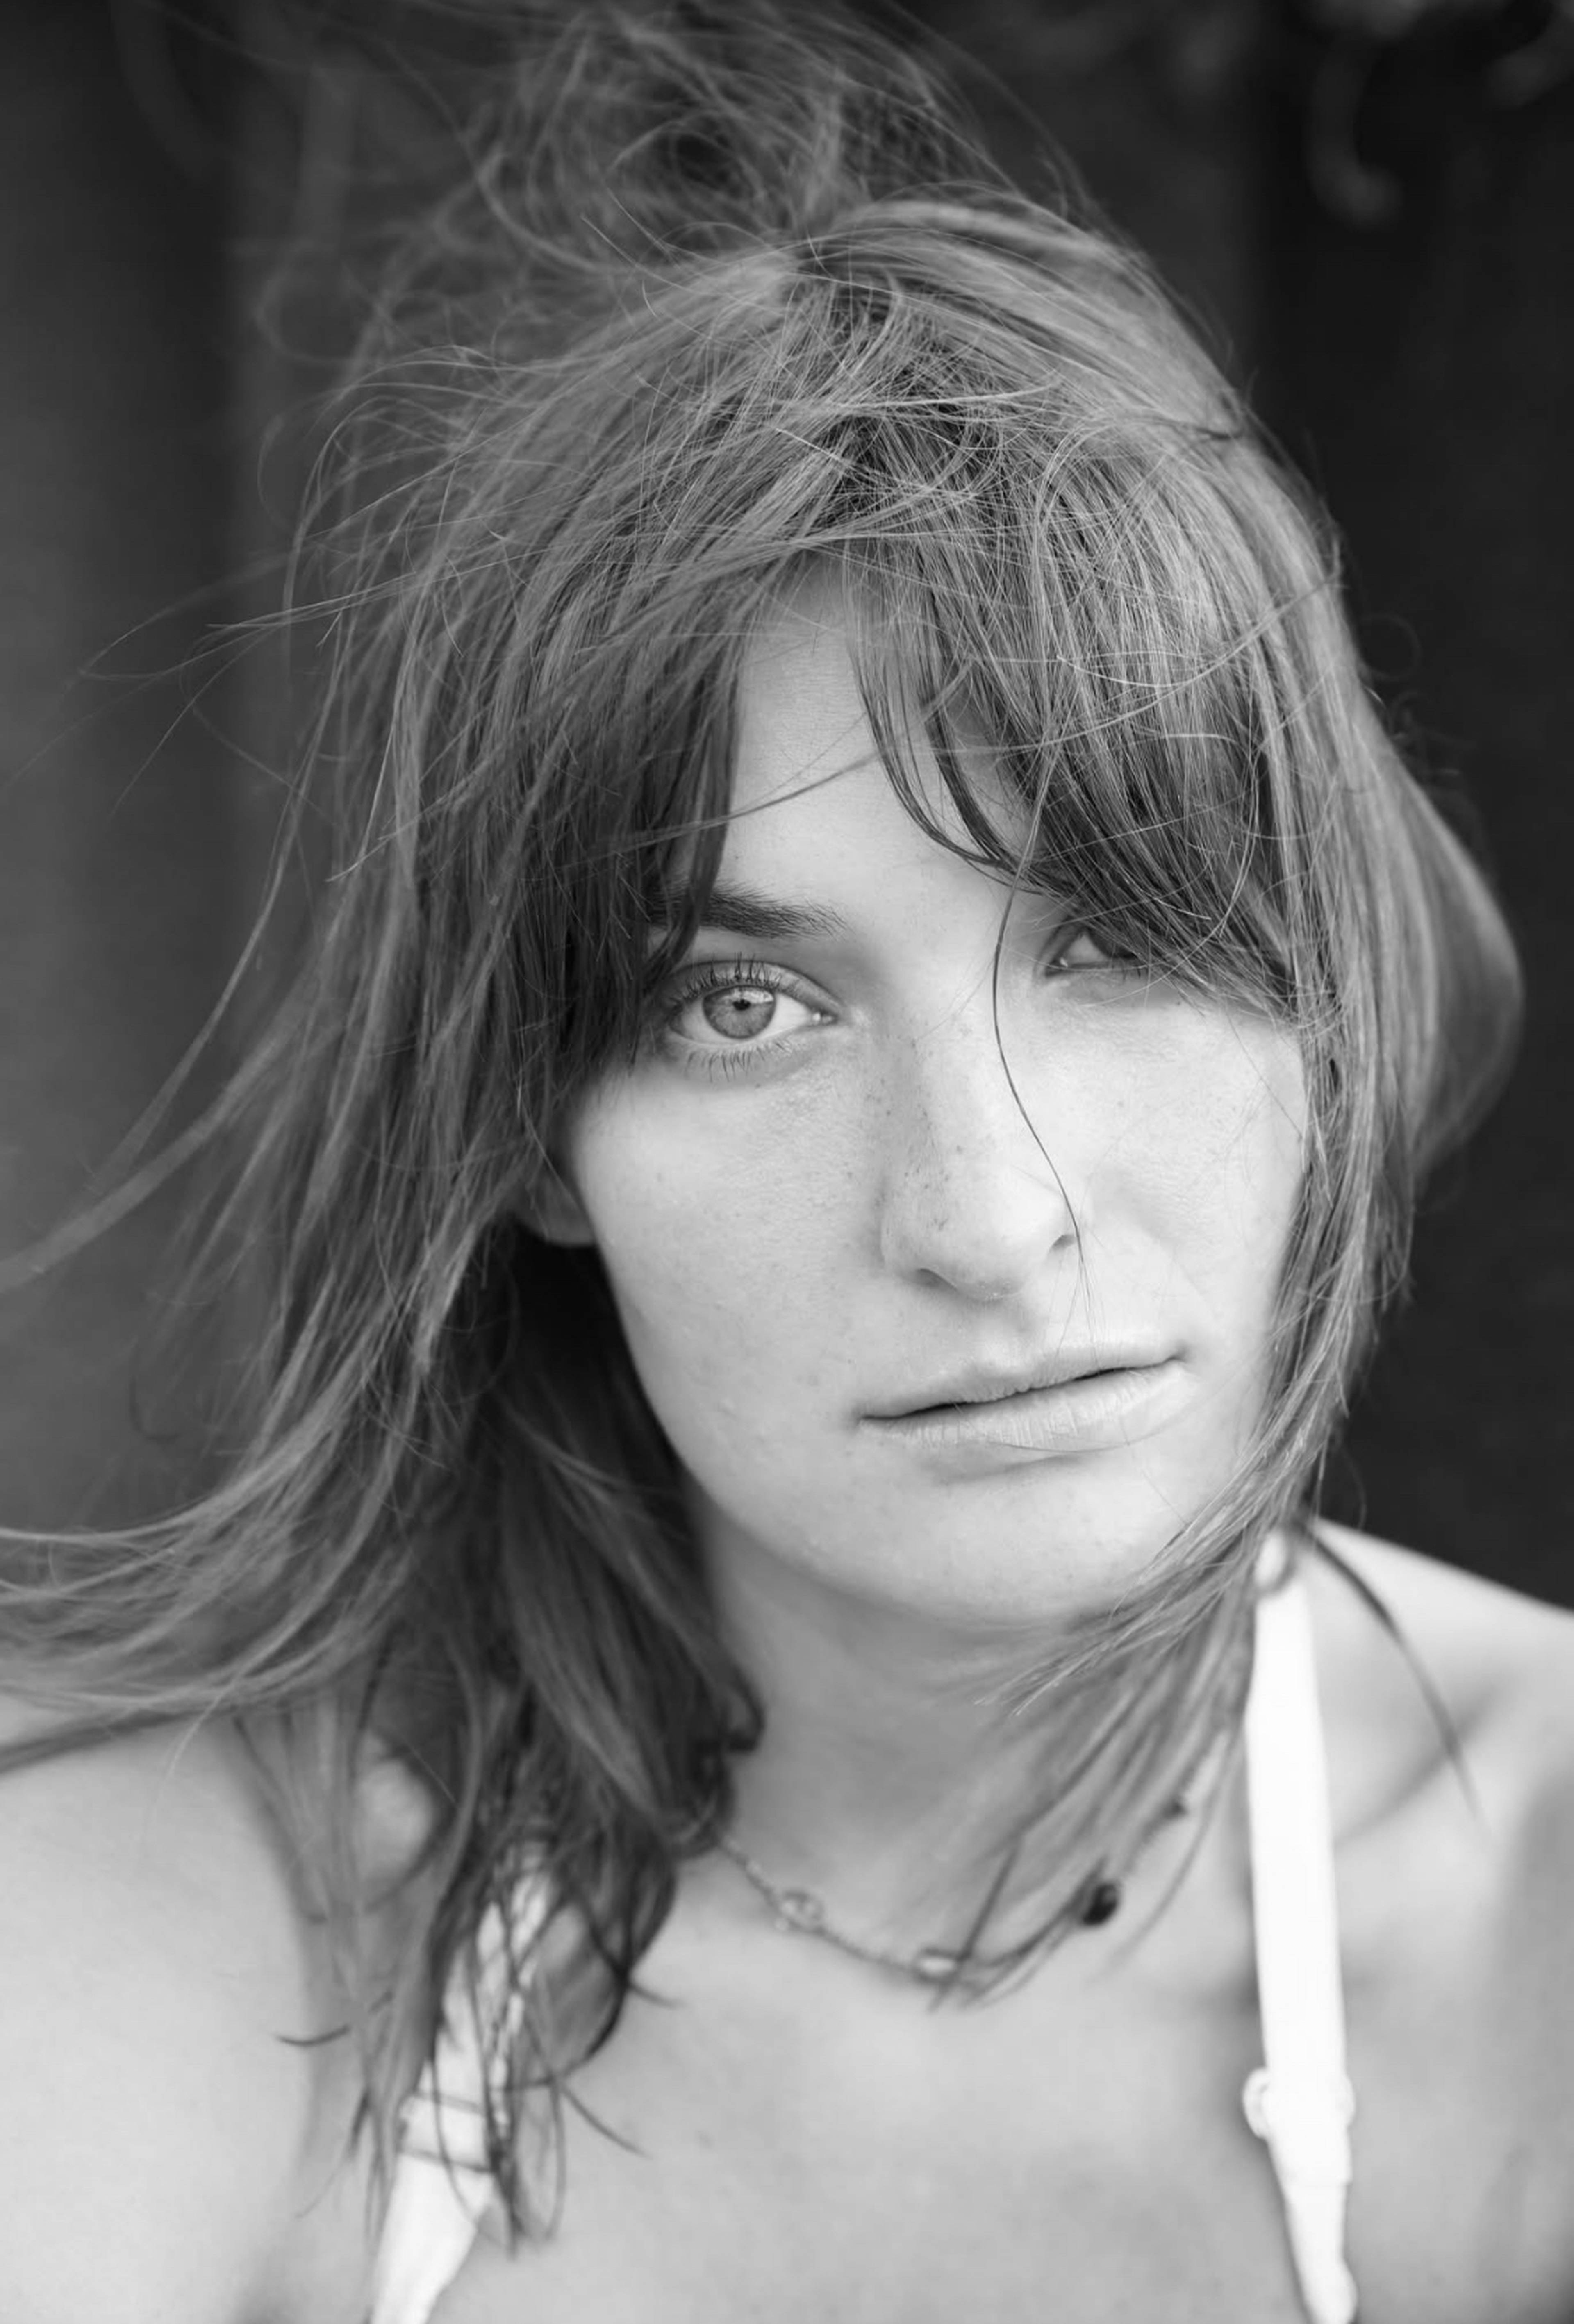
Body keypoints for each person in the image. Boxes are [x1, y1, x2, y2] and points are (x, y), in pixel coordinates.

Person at [1, 5, 1569, 2319]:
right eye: (746, 1005)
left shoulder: (1533, 1915)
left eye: (1125, 942)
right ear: (534, 1129)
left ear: (1327, 1015)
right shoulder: (163, 1918)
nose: (989, 1211)